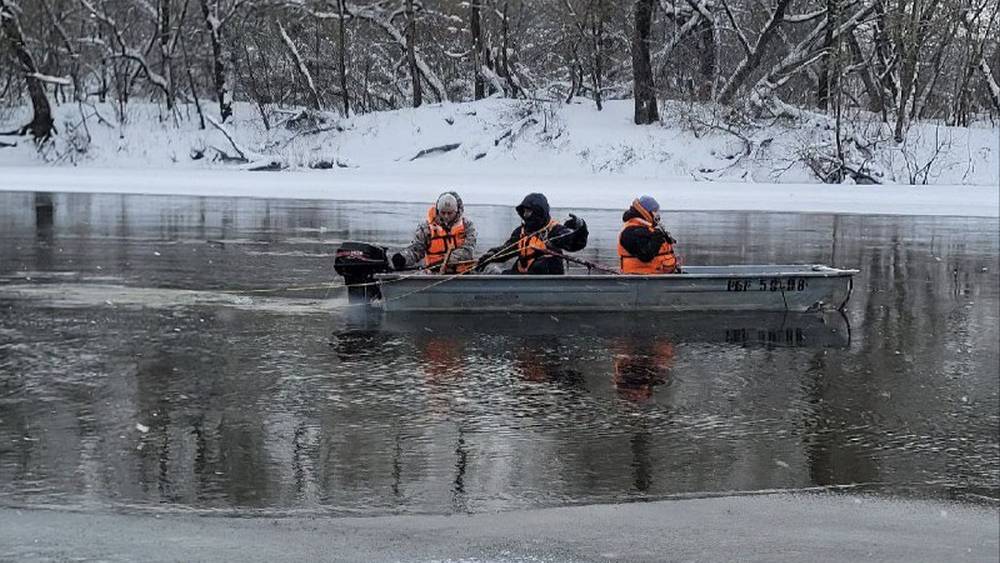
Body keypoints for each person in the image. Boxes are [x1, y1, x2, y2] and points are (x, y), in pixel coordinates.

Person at [478, 193, 588, 274]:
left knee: (542, 264)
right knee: (496, 273)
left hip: (548, 279)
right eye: (524, 211)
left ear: (538, 211)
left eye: (528, 211)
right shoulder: (521, 232)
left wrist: (580, 228)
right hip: (523, 277)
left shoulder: (555, 231)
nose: (525, 215)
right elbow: (507, 250)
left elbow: (575, 244)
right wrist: (491, 256)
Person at [391, 191, 477, 274]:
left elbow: (468, 251)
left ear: (456, 211)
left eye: (450, 213)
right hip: (433, 273)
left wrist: (444, 262)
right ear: (437, 210)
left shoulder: (468, 226)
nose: (446, 216)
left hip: (463, 272)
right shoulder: (426, 228)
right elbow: (416, 250)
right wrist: (403, 258)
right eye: (443, 213)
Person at [617, 195, 678, 274]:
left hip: (657, 275)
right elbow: (645, 255)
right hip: (640, 277)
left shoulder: (647, 229)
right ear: (646, 212)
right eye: (655, 211)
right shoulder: (630, 232)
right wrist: (656, 240)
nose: (657, 215)